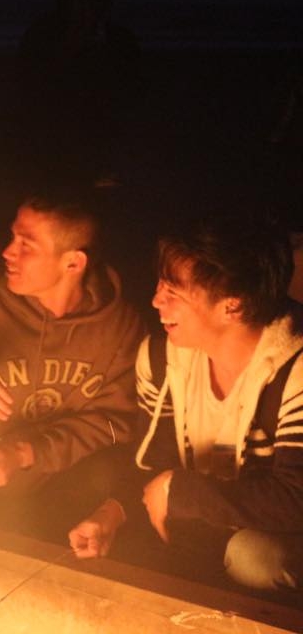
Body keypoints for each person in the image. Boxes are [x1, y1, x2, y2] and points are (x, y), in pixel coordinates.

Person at [68, 215, 303, 592]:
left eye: (173, 292)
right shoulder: (164, 358)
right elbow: (153, 461)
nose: (155, 300)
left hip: (277, 535)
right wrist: (111, 512)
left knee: (257, 558)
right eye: (161, 284)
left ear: (233, 306)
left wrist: (183, 493)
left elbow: (296, 498)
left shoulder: (294, 369)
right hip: (208, 523)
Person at [0, 191, 143, 536]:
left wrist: (26, 452)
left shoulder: (120, 329)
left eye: (27, 244)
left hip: (58, 510)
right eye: (12, 237)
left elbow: (115, 428)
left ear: (73, 263)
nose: (8, 252)